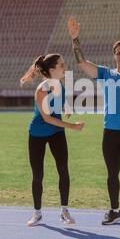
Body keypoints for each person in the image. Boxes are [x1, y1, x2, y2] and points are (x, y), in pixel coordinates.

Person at [67, 16, 120, 229]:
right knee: (112, 174)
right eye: (119, 53)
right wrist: (75, 38)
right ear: (114, 55)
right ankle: (115, 211)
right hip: (110, 134)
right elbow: (81, 62)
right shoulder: (105, 74)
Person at [20, 53, 85, 226]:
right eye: (62, 65)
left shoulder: (60, 84)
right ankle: (37, 213)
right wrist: (72, 126)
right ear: (51, 70)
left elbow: (60, 101)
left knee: (63, 171)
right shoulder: (41, 90)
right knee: (38, 175)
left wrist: (67, 107)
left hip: (56, 132)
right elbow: (47, 118)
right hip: (38, 133)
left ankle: (64, 211)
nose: (65, 67)